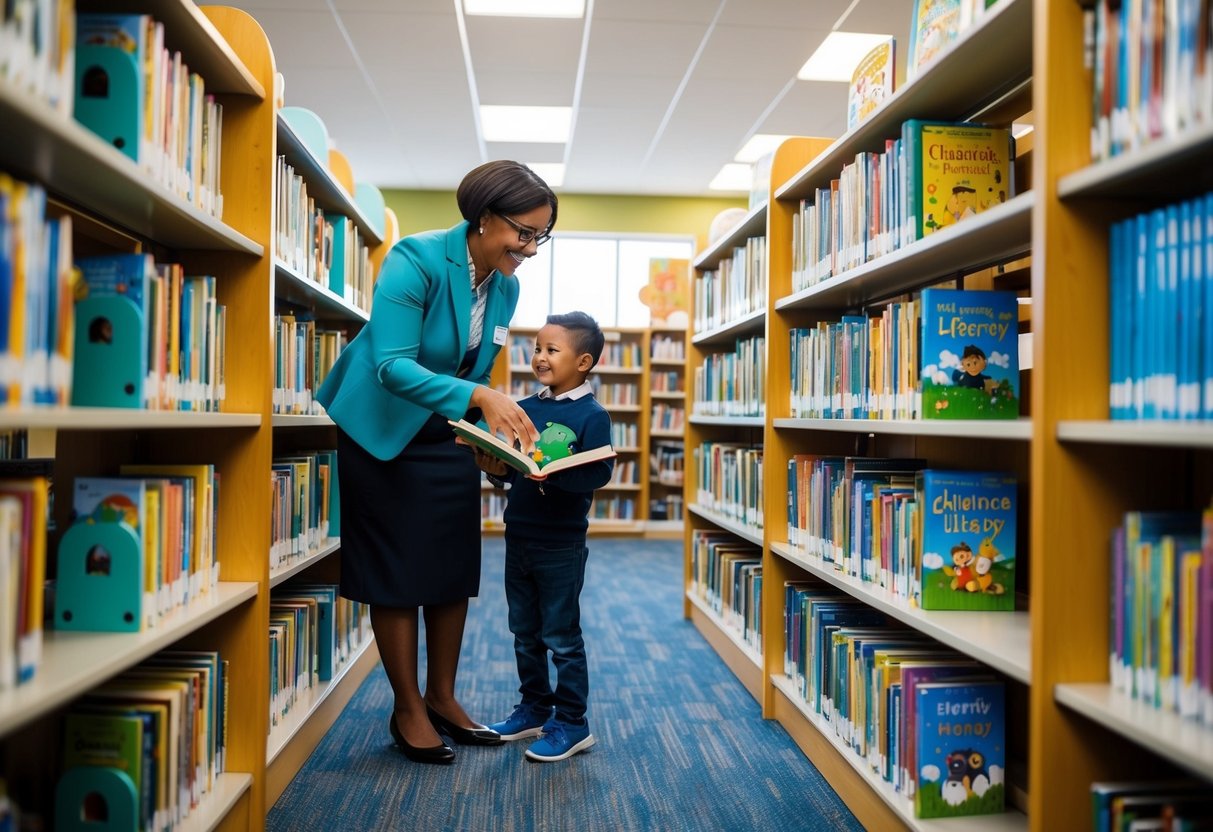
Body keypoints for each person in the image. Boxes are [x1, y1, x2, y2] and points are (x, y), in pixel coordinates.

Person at [315, 161, 556, 765]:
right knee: (396, 572)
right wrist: (478, 397)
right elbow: (391, 365)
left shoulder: (505, 285)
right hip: (382, 428)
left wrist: (493, 437)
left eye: (539, 237)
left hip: (444, 430)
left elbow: (473, 366)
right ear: (484, 218)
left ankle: (443, 697)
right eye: (522, 233)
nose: (528, 249)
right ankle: (408, 708)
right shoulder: (414, 259)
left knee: (451, 563)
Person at [473, 312, 615, 762]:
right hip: (520, 535)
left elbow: (599, 471)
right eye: (536, 348)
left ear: (584, 361)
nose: (539, 357)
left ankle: (572, 722)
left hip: (561, 542)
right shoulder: (525, 409)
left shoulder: (592, 415)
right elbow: (513, 466)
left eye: (552, 350)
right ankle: (534, 707)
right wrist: (497, 470)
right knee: (524, 630)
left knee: (561, 635)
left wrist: (549, 477)